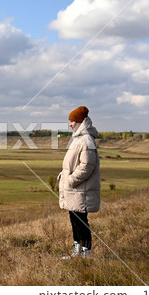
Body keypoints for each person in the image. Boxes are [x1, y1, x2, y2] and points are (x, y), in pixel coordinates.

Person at [58, 106, 100, 258]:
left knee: (81, 222)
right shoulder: (78, 139)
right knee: (75, 221)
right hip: (75, 190)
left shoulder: (86, 140)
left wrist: (70, 180)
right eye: (70, 121)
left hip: (80, 190)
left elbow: (87, 166)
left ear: (80, 122)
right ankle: (77, 252)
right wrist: (64, 175)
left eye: (72, 121)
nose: (70, 124)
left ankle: (85, 255)